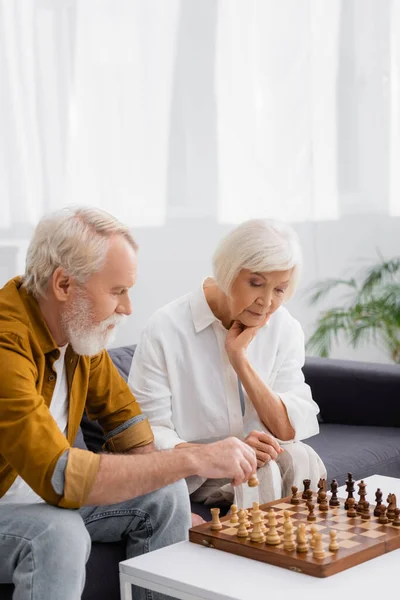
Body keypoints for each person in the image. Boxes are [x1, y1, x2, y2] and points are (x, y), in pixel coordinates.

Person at [0, 207, 257, 600]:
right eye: (117, 291)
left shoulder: (77, 333)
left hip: (40, 496)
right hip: (16, 502)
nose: (128, 308)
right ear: (64, 284)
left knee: (167, 496)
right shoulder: (6, 342)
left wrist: (167, 485)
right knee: (57, 535)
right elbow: (58, 475)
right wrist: (192, 458)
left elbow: (126, 423)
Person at [129, 218, 326, 523]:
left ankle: (304, 553)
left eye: (280, 289)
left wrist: (239, 358)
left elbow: (288, 429)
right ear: (228, 271)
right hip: (195, 471)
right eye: (256, 283)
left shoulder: (283, 327)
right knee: (263, 471)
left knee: (299, 456)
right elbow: (148, 431)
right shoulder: (165, 329)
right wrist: (217, 454)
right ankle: (258, 558)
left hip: (259, 462)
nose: (267, 302)